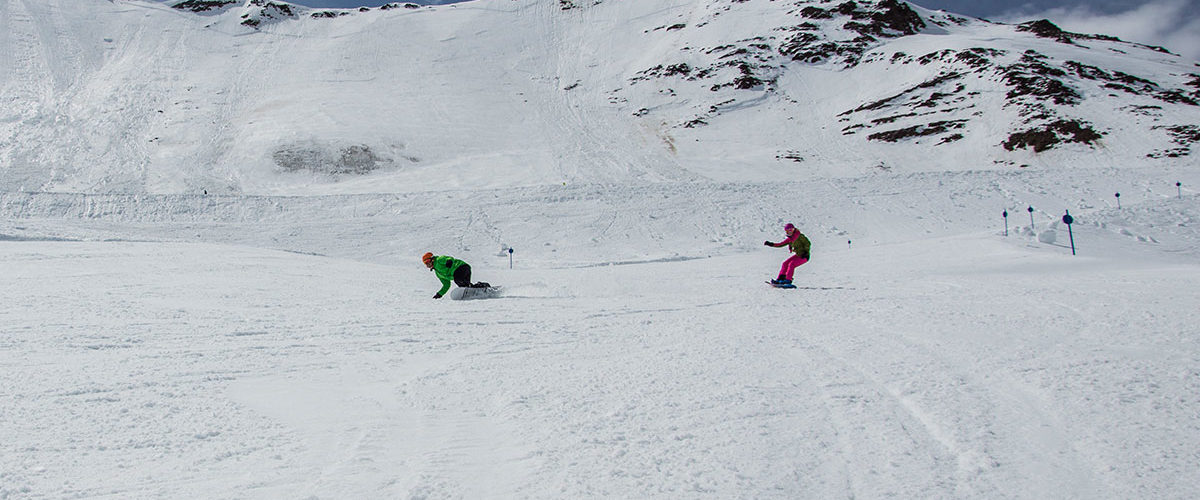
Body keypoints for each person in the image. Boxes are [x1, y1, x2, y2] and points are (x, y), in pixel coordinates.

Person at [422, 252, 490, 299]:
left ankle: (477, 287)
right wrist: (439, 294)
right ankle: (482, 287)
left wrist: (449, 262)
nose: (427, 264)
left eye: (427, 261)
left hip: (462, 267)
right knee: (465, 287)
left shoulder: (439, 259)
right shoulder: (438, 274)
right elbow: (446, 285)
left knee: (457, 279)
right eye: (425, 263)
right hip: (462, 272)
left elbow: (448, 258)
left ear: (432, 259)